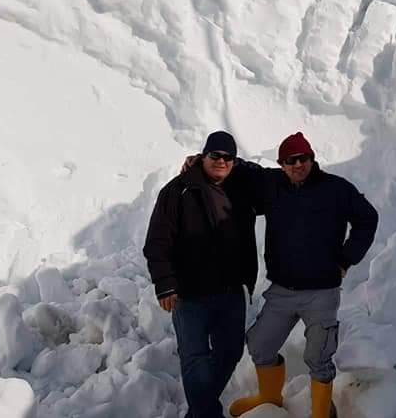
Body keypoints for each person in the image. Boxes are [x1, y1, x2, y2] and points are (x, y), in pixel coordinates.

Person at [186, 132, 378, 418]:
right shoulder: (272, 183)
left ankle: (321, 412)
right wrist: (200, 161)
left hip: (321, 292)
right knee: (260, 344)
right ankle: (269, 397)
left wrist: (347, 258)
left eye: (303, 158)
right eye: (290, 160)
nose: (298, 165)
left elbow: (368, 218)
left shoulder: (337, 189)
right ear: (281, 164)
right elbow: (243, 169)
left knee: (319, 356)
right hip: (282, 290)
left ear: (312, 159)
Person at [143, 131, 258, 418]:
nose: (221, 161)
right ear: (203, 156)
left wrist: (241, 165)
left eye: (228, 157)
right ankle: (206, 414)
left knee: (230, 352)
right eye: (215, 155)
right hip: (190, 293)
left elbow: (269, 178)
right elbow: (157, 241)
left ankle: (199, 411)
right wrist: (165, 283)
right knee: (195, 358)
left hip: (230, 291)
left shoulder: (241, 188)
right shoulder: (178, 190)